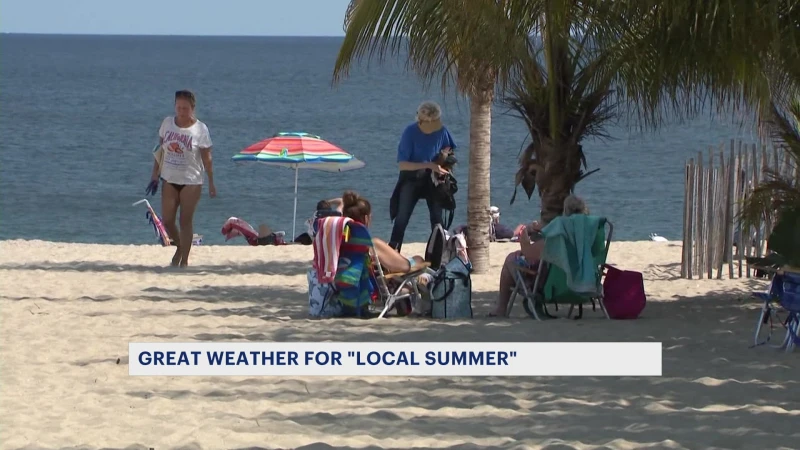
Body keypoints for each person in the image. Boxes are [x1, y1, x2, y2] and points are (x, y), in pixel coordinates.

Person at [488, 195, 590, 317]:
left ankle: (511, 304)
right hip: (584, 285)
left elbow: (528, 252)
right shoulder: (590, 234)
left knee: (511, 259)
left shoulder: (560, 234)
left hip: (555, 286)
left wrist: (525, 235)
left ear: (565, 212)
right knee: (519, 260)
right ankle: (503, 307)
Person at [148, 90, 215, 267]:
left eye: (185, 108)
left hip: (192, 180)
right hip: (169, 178)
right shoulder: (167, 123)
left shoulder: (200, 129)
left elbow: (207, 157)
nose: (181, 111)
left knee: (185, 220)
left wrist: (211, 182)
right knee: (168, 220)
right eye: (178, 107)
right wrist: (154, 174)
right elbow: (159, 150)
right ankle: (179, 247)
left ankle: (184, 260)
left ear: (192, 108)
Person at [389, 101, 456, 252]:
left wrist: (444, 159)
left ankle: (440, 256)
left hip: (434, 178)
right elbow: (403, 165)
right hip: (411, 178)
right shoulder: (410, 132)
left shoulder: (442, 131)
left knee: (437, 220)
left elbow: (449, 148)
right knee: (401, 219)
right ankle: (393, 253)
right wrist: (428, 165)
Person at [342, 191, 425, 274]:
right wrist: (392, 257)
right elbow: (405, 267)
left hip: (341, 285)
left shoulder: (338, 242)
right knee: (418, 259)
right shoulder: (372, 244)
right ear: (366, 219)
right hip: (370, 285)